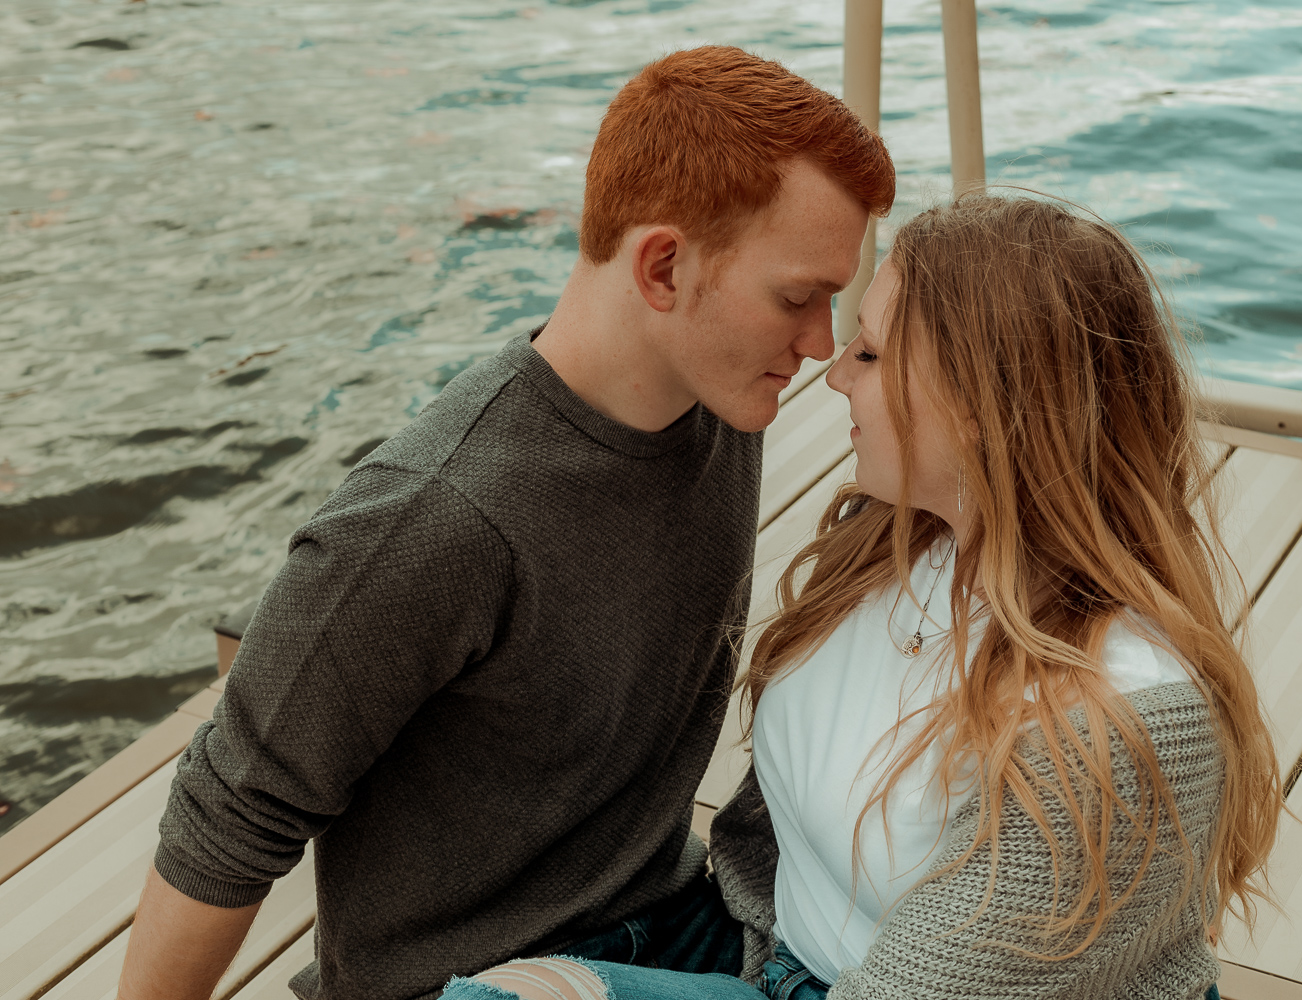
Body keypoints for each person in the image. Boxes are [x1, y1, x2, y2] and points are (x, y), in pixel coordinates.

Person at [117, 46, 895, 1000]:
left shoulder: (717, 398)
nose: (820, 343)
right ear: (662, 267)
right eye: (798, 297)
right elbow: (227, 814)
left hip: (683, 922)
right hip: (476, 986)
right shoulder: (430, 519)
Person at [439, 194, 1283, 1000]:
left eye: (871, 354)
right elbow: (765, 852)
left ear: (986, 405)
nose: (834, 375)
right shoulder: (894, 542)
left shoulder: (1115, 729)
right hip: (768, 956)